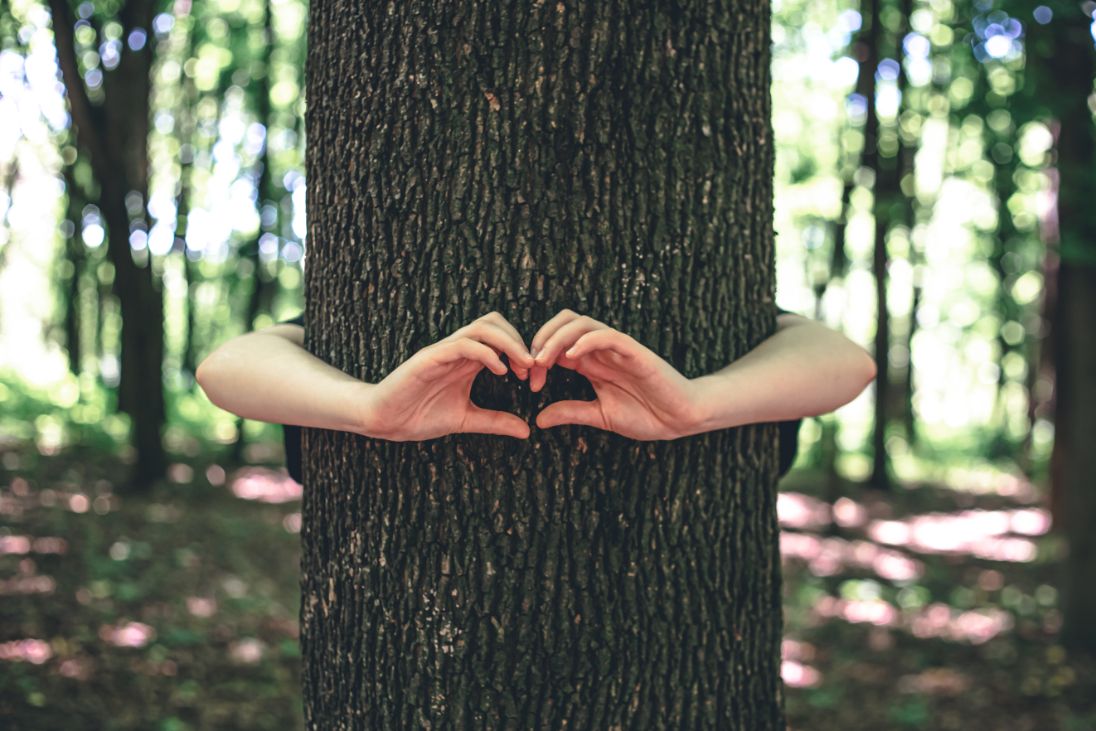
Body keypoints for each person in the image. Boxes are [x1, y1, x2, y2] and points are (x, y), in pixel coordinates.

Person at [195, 306, 877, 484]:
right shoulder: (332, 340)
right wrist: (371, 408)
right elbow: (225, 367)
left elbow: (847, 363)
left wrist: (696, 404)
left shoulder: (751, 329)